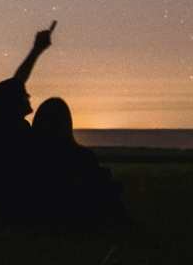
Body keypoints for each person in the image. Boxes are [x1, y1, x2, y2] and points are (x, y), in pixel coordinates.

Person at [0, 21, 55, 230]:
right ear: (12, 102)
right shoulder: (15, 131)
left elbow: (17, 82)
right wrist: (36, 50)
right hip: (10, 214)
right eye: (23, 95)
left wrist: (36, 50)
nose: (28, 95)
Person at [30, 97, 134, 231]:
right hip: (80, 221)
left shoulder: (32, 156)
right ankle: (128, 226)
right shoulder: (81, 155)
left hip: (43, 221)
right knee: (105, 184)